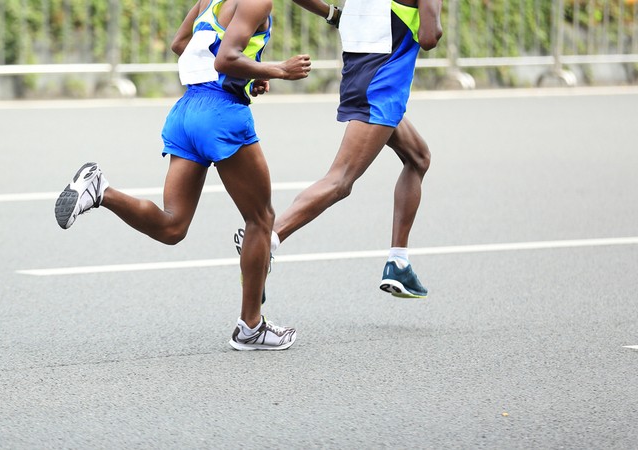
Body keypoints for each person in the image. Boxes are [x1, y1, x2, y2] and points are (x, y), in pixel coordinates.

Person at [54, 0, 312, 350]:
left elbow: (182, 45)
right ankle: (250, 327)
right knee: (261, 219)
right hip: (220, 114)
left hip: (187, 110)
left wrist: (249, 77)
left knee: (172, 226)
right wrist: (277, 70)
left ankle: (102, 190)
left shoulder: (209, 1)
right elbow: (225, 60)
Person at [235, 0, 442, 298]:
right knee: (340, 180)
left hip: (362, 76)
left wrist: (332, 14)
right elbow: (429, 37)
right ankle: (266, 238)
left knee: (419, 157)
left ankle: (398, 262)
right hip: (381, 86)